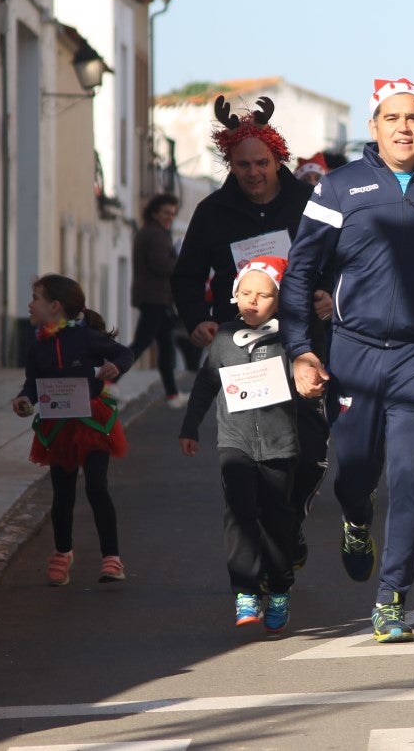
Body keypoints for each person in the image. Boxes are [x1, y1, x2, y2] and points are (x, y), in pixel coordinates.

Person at [279, 77, 414, 643]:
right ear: (373, 127)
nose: (404, 127)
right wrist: (301, 350)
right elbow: (300, 271)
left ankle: (392, 597)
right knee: (353, 472)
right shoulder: (338, 188)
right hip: (354, 349)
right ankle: (355, 519)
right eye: (392, 117)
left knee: (408, 472)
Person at [170, 95, 332, 572]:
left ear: (278, 158)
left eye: (262, 162)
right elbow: (186, 275)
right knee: (249, 457)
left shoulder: (308, 204)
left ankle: (287, 522)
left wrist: (327, 293)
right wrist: (197, 316)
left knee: (309, 453)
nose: (254, 172)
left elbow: (339, 259)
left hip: (301, 340)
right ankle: (258, 554)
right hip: (241, 348)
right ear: (230, 164)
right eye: (243, 165)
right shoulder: (213, 212)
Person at [180, 256, 299, 632]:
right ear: (234, 295)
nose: (252, 301)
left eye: (263, 295)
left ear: (279, 300)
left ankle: (279, 589)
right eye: (245, 293)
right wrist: (190, 425)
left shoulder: (293, 337)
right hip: (235, 442)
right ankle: (245, 591)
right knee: (239, 513)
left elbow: (313, 377)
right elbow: (205, 382)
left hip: (281, 445)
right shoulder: (224, 338)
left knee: (277, 520)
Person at [12, 275, 134, 587]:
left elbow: (124, 353)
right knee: (62, 494)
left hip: (93, 421)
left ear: (54, 306)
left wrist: (115, 367)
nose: (29, 304)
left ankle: (112, 558)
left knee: (96, 486)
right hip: (59, 426)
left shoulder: (86, 337)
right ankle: (62, 553)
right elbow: (32, 383)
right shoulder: (37, 345)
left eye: (35, 297)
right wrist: (25, 400)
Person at [129, 193, 185, 407]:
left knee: (166, 346)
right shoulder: (157, 235)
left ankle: (172, 394)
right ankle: (109, 380)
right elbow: (161, 265)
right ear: (155, 212)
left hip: (156, 297)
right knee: (142, 343)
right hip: (155, 297)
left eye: (172, 213)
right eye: (165, 212)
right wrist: (179, 260)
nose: (169, 217)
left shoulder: (152, 232)